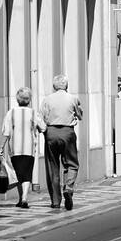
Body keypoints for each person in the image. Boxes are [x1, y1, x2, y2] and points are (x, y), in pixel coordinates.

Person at [39, 74, 83, 210]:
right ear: (67, 85)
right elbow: (80, 115)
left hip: (51, 133)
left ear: (54, 86)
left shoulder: (47, 99)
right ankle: (68, 188)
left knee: (53, 166)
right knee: (71, 163)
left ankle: (55, 201)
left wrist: (44, 130)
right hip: (67, 132)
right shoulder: (72, 98)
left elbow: (41, 117)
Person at [0, 88, 45, 209]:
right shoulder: (34, 113)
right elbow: (43, 127)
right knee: (27, 173)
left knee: (19, 174)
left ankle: (21, 199)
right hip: (29, 149)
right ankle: (24, 197)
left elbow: (6, 132)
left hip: (15, 149)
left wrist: (1, 147)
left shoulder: (11, 112)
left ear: (18, 99)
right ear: (29, 100)